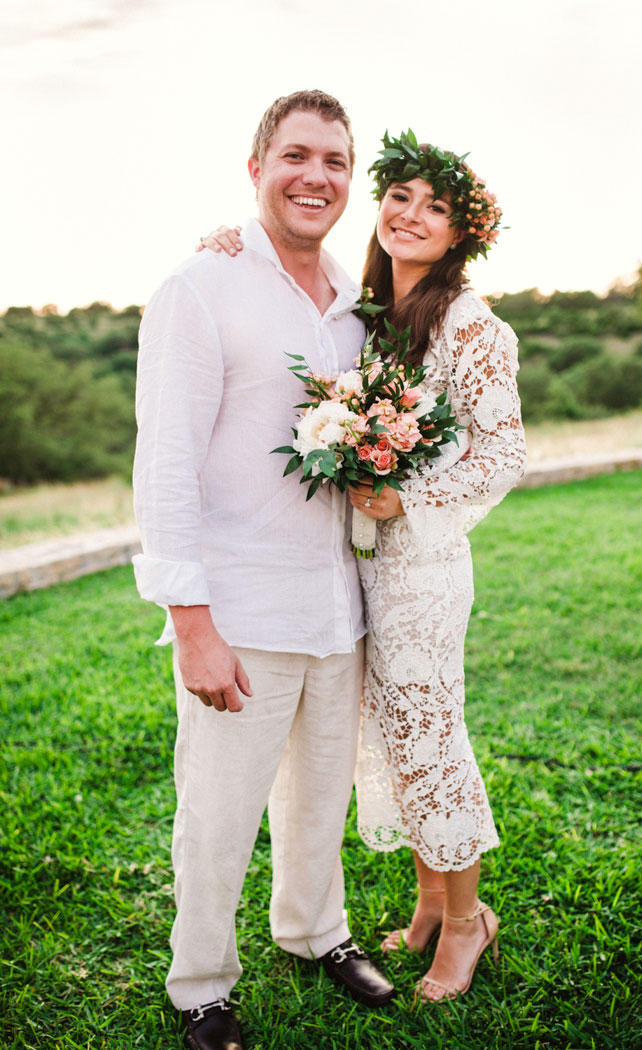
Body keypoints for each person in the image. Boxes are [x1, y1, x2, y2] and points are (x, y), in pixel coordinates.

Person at [199, 130, 527, 1003]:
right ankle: (427, 906)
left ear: (464, 233)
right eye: (401, 197)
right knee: (395, 737)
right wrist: (226, 248)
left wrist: (405, 498)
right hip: (364, 572)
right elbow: (285, 275)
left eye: (438, 207)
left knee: (430, 744)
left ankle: (467, 926)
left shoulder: (470, 323)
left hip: (422, 575)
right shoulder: (366, 311)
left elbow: (503, 452)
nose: (411, 215)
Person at [132, 90, 395, 1050]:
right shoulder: (201, 286)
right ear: (257, 169)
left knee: (321, 795)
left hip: (336, 604)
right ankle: (201, 982)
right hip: (238, 609)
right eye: (295, 155)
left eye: (334, 160)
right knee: (218, 812)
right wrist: (191, 621)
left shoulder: (357, 308)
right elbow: (162, 466)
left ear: (349, 179)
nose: (314, 176)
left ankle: (315, 931)